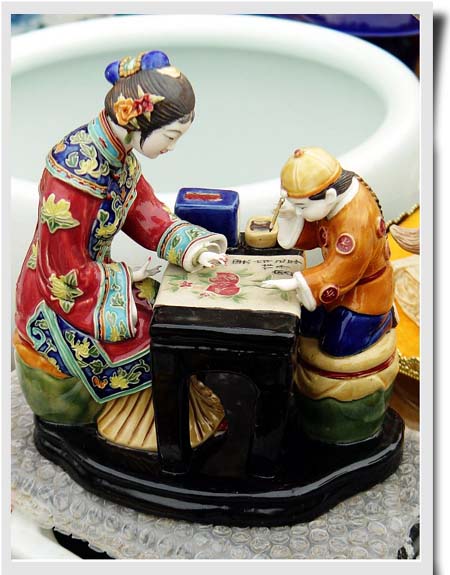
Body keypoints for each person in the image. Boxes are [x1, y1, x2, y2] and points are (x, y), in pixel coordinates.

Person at [14, 50, 228, 430]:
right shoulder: (74, 176)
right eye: (171, 136)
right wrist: (123, 277)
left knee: (167, 308)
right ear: (138, 120)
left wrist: (192, 248)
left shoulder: (119, 158)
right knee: (157, 331)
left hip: (96, 282)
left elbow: (145, 213)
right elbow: (63, 270)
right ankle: (152, 426)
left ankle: (176, 414)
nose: (171, 147)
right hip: (60, 299)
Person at [262, 147, 399, 444]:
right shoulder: (333, 199)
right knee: (305, 325)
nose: (300, 211)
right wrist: (293, 217)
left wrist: (299, 282)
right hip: (333, 286)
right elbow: (319, 232)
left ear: (329, 196)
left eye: (302, 206)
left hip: (365, 294)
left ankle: (384, 319)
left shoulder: (356, 218)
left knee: (336, 346)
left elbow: (343, 268)